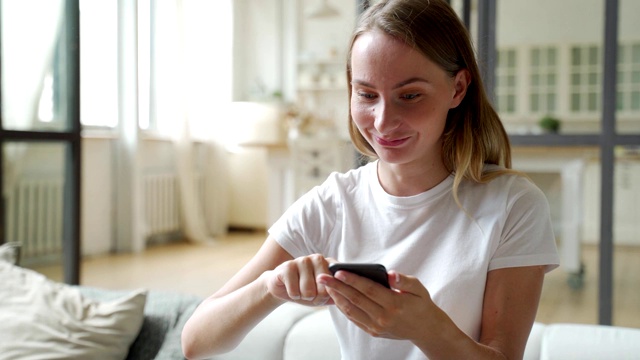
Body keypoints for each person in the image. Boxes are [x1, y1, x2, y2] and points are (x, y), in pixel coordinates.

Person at [182, 0, 560, 359]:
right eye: (366, 94)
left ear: (458, 89)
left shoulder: (513, 204)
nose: (381, 121)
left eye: (410, 95)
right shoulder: (332, 204)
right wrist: (271, 288)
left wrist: (427, 327)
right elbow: (196, 341)